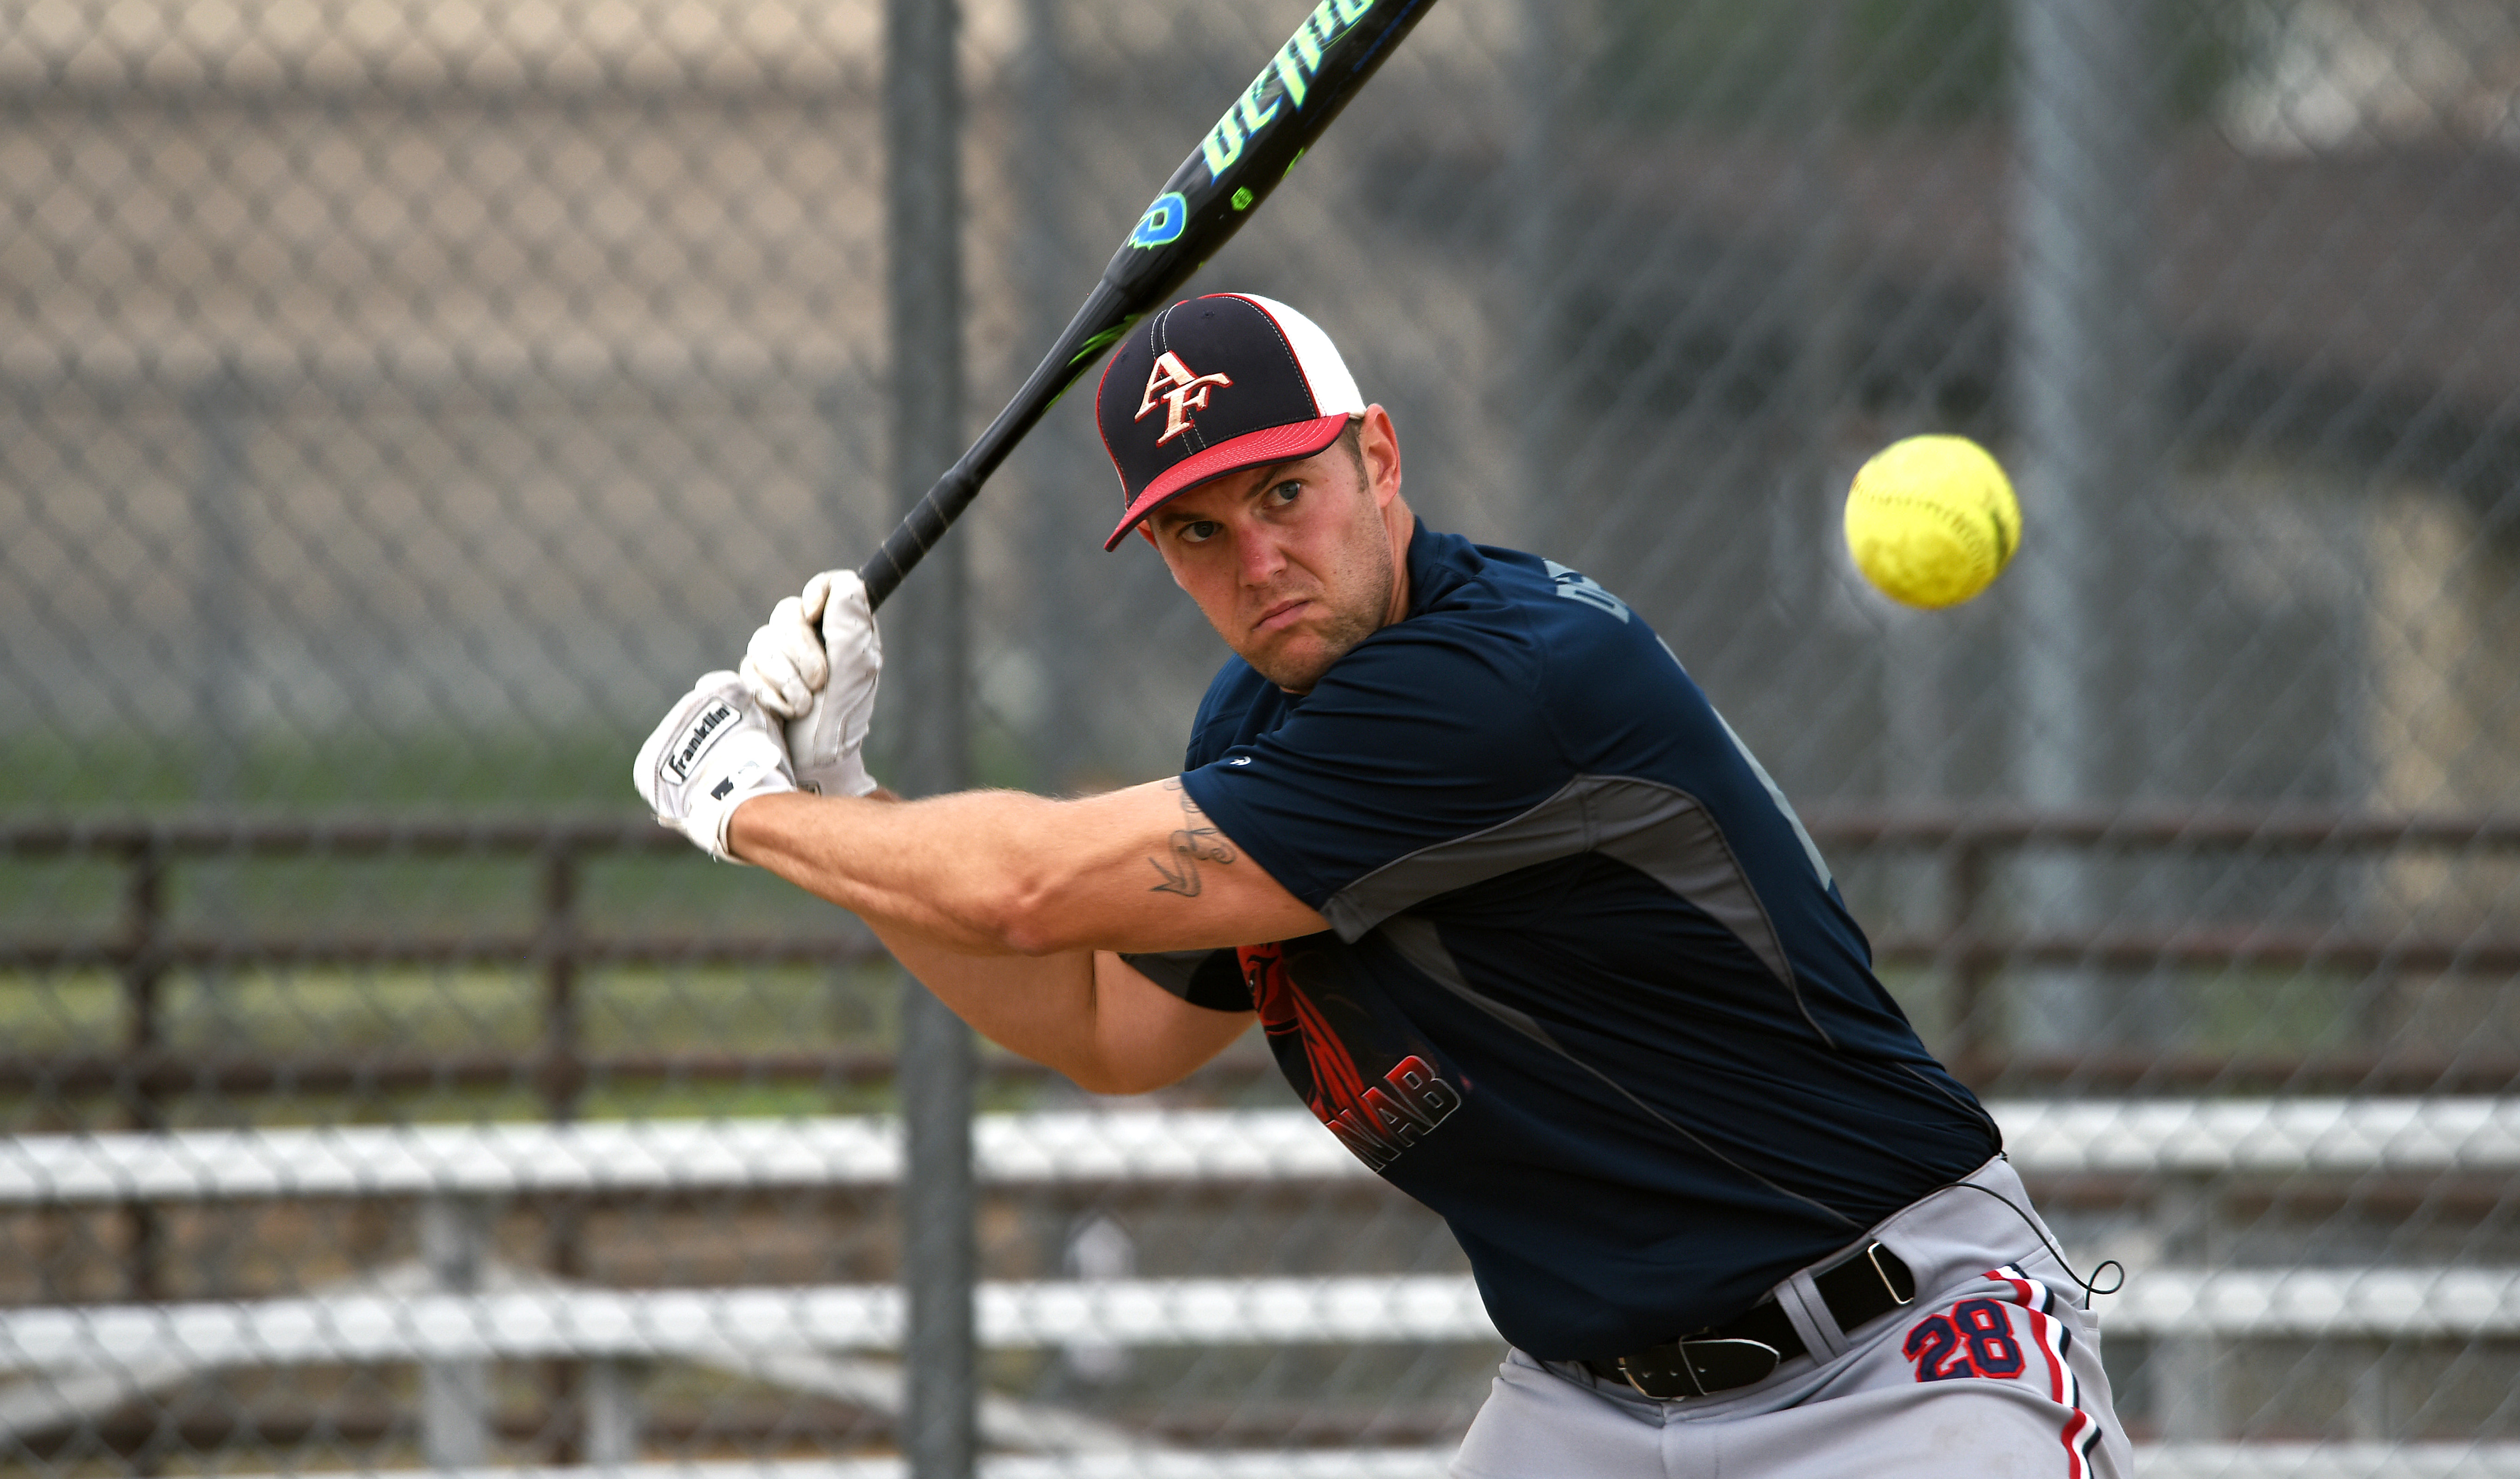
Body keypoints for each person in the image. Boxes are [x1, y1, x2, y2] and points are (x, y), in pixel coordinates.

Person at [636, 292, 2134, 1478]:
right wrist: (845, 800)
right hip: (1590, 1410)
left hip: (1894, 1362)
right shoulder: (1261, 730)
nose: (1258, 558)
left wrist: (751, 812)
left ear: (1380, 458)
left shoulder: (1507, 684)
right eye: (1198, 532)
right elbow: (1107, 1027)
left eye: (1287, 492)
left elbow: (1028, 891)